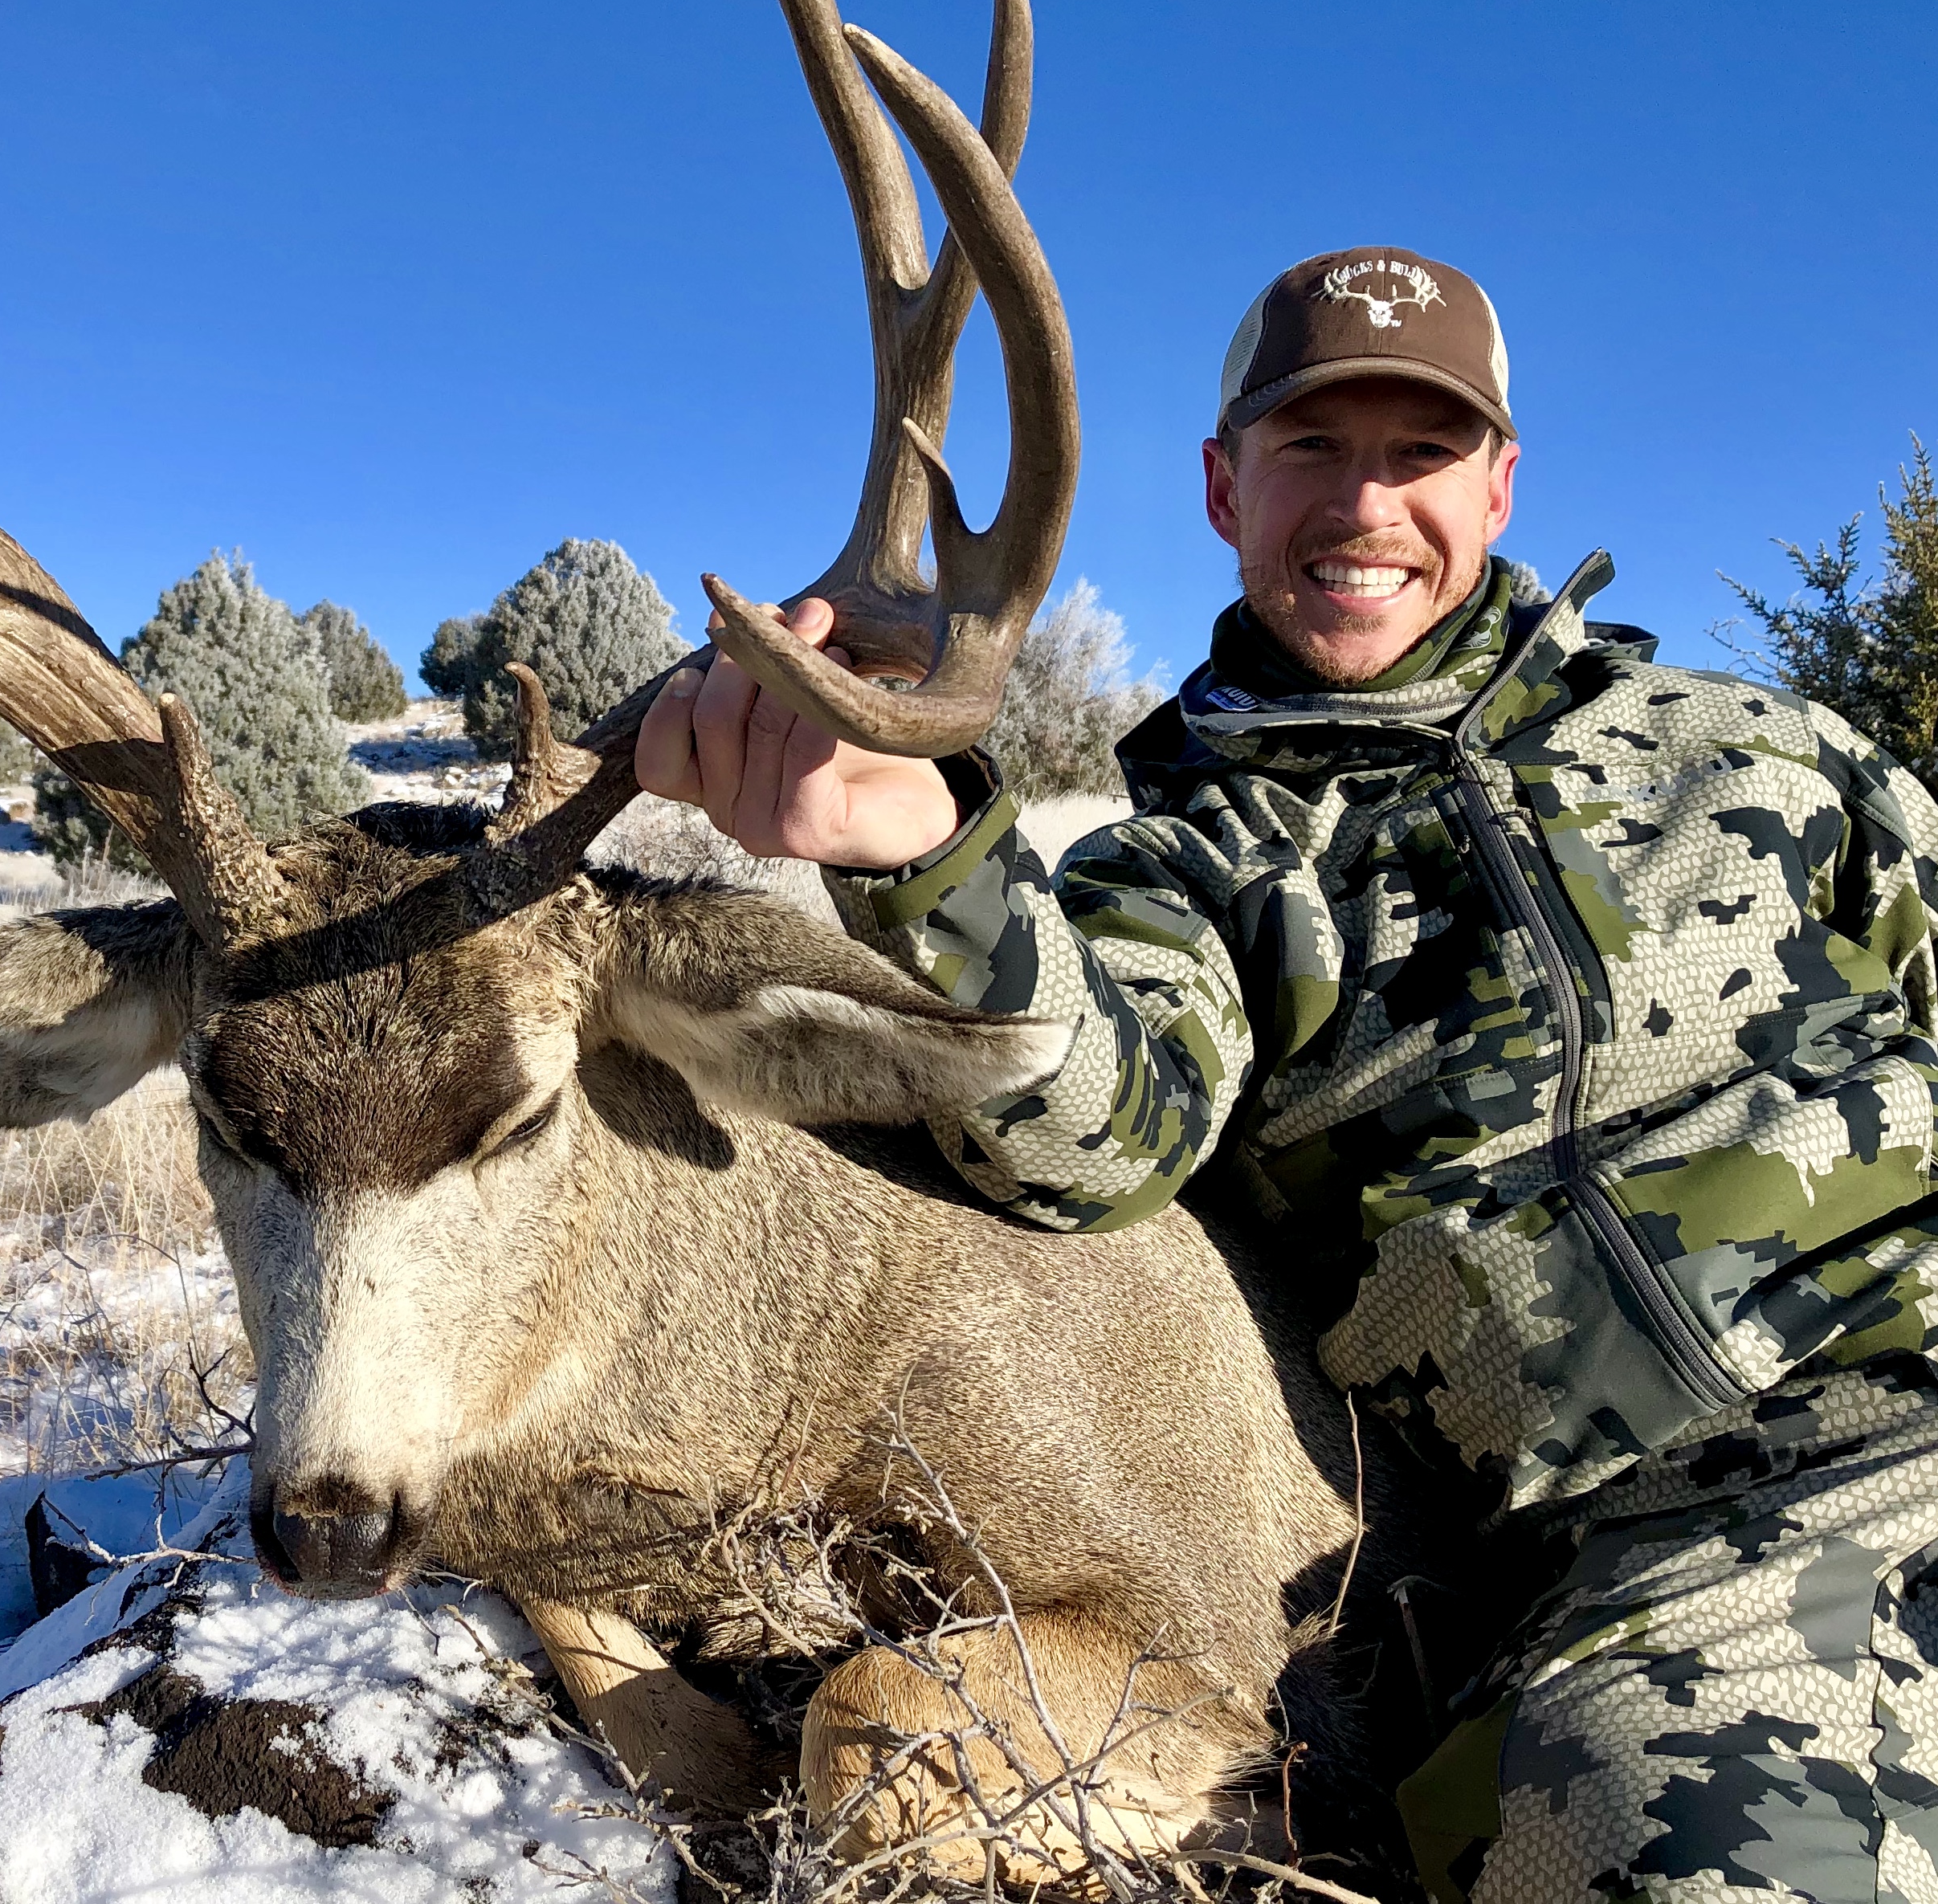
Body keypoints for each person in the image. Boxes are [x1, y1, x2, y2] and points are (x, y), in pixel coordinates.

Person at [637, 246, 1938, 1904]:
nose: (1361, 505)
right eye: (1309, 449)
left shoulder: (1748, 744)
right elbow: (1096, 1120)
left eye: (1417, 451)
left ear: (1498, 481)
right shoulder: (1183, 869)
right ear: (1219, 485)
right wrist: (920, 848)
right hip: (1661, 1563)